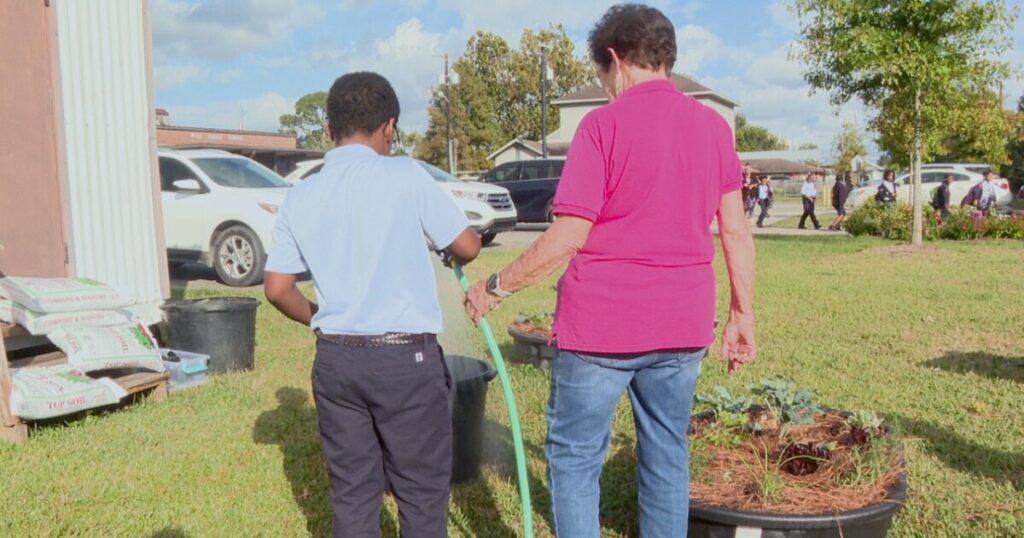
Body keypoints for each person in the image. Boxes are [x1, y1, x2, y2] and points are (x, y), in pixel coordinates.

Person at [464, 6, 757, 536]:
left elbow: (568, 236)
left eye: (602, 74)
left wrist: (495, 286)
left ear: (616, 60)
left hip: (600, 328)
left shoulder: (602, 126)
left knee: (576, 458)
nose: (603, 87)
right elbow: (735, 230)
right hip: (683, 323)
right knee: (667, 453)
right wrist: (743, 315)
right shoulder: (714, 128)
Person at [263, 72, 482, 538]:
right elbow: (467, 246)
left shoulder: (301, 195)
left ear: (329, 129)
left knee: (353, 496)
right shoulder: (405, 174)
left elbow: (277, 288)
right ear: (390, 127)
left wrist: (319, 319)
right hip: (405, 361)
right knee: (421, 495)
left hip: (337, 361)